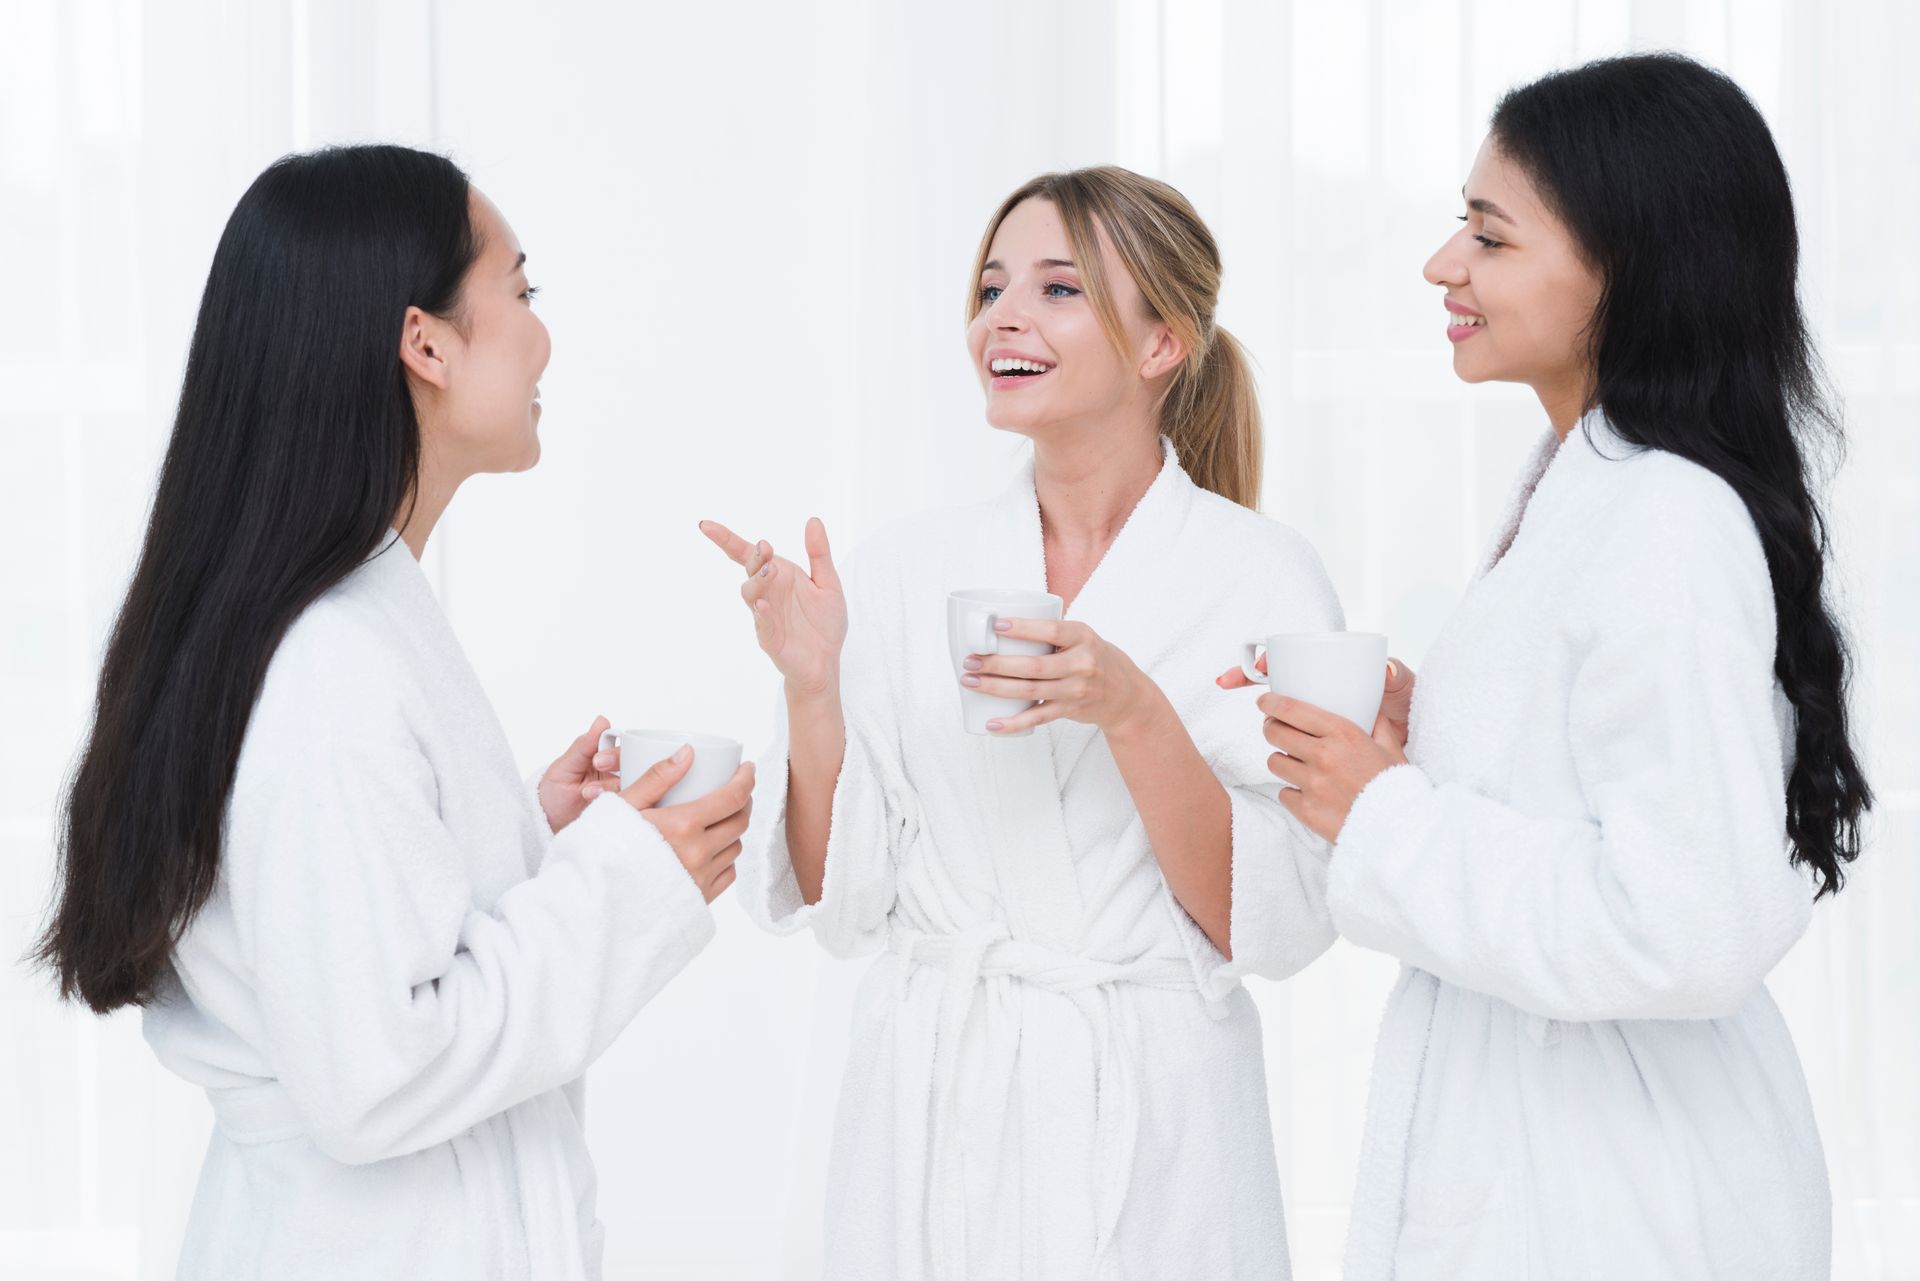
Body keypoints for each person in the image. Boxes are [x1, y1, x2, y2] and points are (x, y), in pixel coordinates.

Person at [34, 144, 753, 1280]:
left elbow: (327, 938)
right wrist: (622, 876)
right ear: (424, 343)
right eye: (520, 291)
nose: (542, 333)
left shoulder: (339, 619)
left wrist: (519, 838)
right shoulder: (329, 660)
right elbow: (377, 1072)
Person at [1238, 54, 1872, 1280]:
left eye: (1489, 235)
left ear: (1624, 267)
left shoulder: (1665, 517)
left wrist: (1385, 812)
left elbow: (1685, 921)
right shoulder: (1591, 486)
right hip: (1563, 1165)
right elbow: (1591, 787)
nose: (1443, 266)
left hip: (1617, 1197)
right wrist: (1426, 741)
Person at [703, 166, 1343, 1278]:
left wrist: (1131, 710)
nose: (1002, 316)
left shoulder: (1261, 579)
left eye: (1058, 289)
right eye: (993, 286)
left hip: (1154, 1124)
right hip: (937, 1110)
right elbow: (840, 903)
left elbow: (1272, 923)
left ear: (1161, 346)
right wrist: (812, 684)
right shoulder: (906, 571)